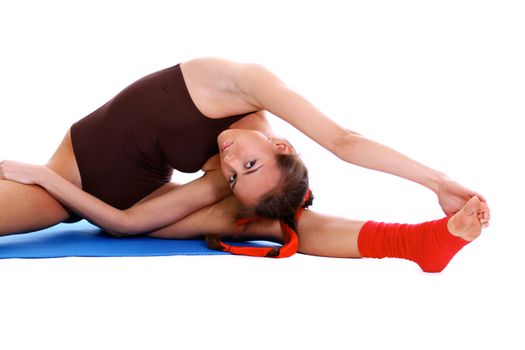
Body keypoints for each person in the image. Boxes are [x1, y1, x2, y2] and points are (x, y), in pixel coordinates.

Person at [0, 57, 490, 271]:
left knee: (278, 213)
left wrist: (44, 178)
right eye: (248, 165)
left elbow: (127, 224)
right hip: (75, 187)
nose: (232, 160)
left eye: (237, 175)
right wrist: (437, 180)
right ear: (283, 147)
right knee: (273, 216)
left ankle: (418, 242)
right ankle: (411, 241)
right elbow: (344, 141)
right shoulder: (245, 84)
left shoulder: (229, 173)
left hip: (75, 195)